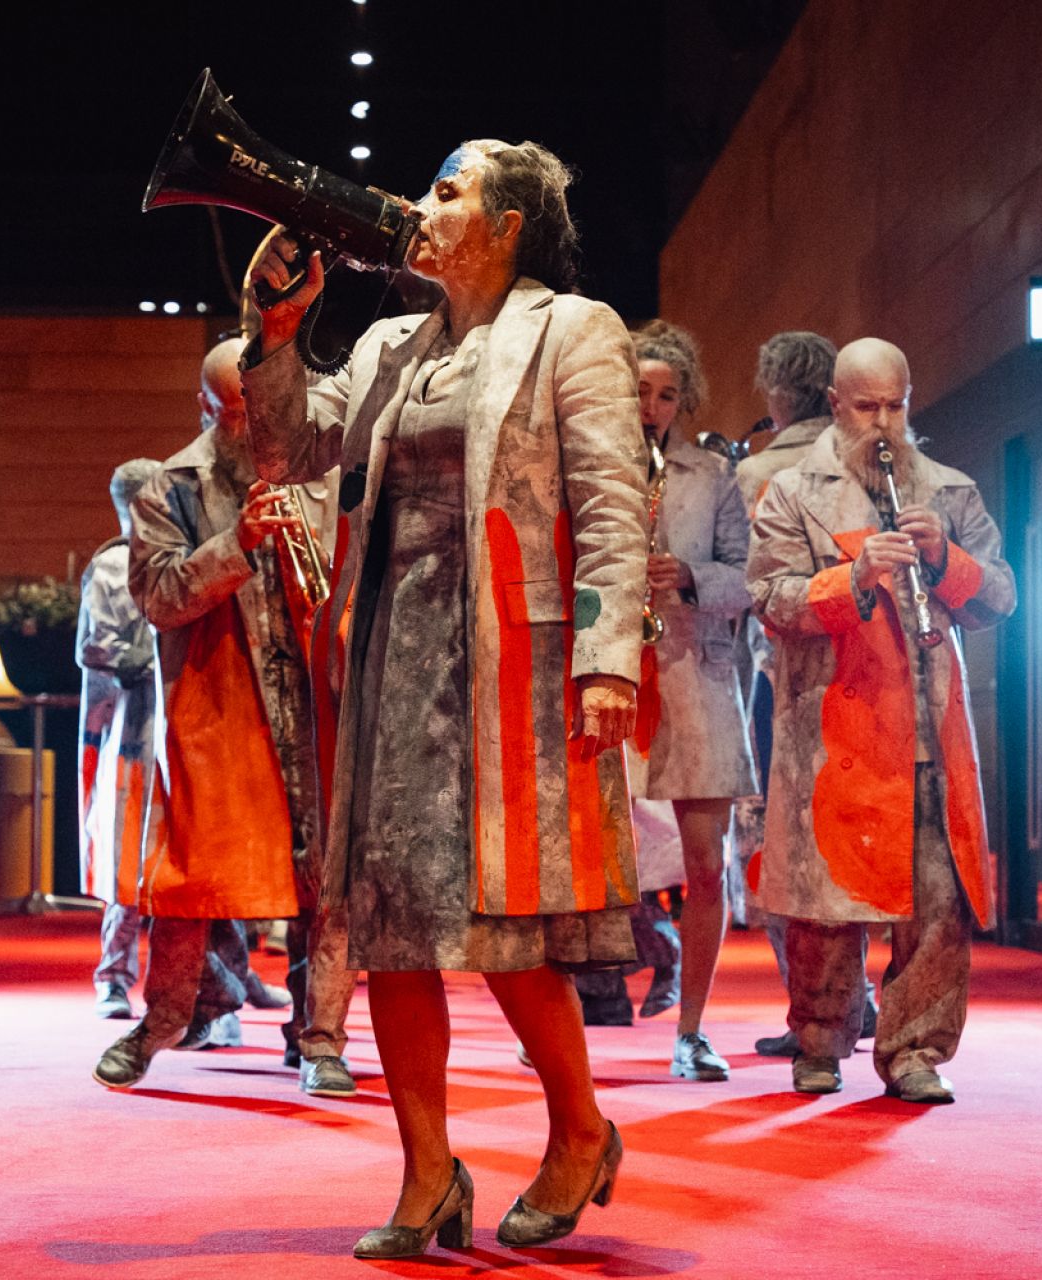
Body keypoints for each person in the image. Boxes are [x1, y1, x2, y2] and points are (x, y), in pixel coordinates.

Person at [244, 138, 646, 1258]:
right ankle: (429, 1174)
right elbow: (285, 446)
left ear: (508, 226)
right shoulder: (388, 345)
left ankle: (580, 1131)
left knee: (506, 923)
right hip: (391, 656)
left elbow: (612, 502)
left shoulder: (572, 328)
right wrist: (276, 332)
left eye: (448, 190)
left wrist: (609, 654)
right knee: (390, 923)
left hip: (512, 659)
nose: (420, 206)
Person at [748, 337, 1015, 1105]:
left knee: (937, 905)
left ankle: (914, 1050)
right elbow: (769, 600)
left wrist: (947, 561)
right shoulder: (791, 491)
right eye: (866, 407)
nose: (883, 422)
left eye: (895, 406)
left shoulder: (950, 490)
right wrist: (853, 577)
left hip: (931, 730)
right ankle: (818, 1041)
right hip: (836, 728)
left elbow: (1001, 597)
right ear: (836, 404)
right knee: (827, 904)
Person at [92, 339, 355, 1097]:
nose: (251, 427)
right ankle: (163, 1020)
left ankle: (320, 1038)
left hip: (318, 694)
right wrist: (234, 544)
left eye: (261, 410)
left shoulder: (320, 471)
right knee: (194, 874)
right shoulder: (168, 485)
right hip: (218, 701)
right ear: (204, 408)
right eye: (234, 413)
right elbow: (158, 597)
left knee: (328, 873)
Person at [610, 319, 752, 1079]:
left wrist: (693, 576)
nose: (653, 407)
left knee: (706, 864)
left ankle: (691, 1030)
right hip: (611, 677)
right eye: (640, 390)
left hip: (696, 679)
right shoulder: (591, 464)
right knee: (590, 867)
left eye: (667, 395)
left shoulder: (713, 475)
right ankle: (560, 1022)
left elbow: (752, 577)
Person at [733, 332, 878, 1057]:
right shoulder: (877, 466)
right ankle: (864, 998)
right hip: (875, 668)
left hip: (783, 674)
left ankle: (818, 1006)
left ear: (776, 391)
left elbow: (751, 583)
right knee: (856, 831)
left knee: (787, 841)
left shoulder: (760, 471)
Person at [76, 459, 162, 1019]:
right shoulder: (113, 566)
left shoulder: (178, 553)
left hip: (182, 724)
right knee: (128, 855)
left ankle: (222, 981)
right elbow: (100, 649)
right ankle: (113, 975)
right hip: (135, 725)